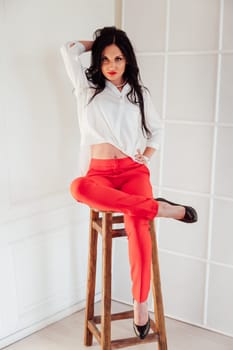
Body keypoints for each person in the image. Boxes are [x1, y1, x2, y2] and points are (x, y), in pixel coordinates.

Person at [60, 26, 198, 340]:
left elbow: (157, 131)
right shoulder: (87, 89)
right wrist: (103, 43)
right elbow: (67, 49)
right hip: (99, 173)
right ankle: (161, 209)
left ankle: (140, 303)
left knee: (138, 229)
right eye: (105, 58)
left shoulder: (140, 93)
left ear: (127, 60)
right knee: (77, 187)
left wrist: (146, 157)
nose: (111, 64)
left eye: (118, 57)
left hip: (133, 173)